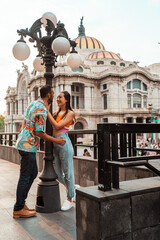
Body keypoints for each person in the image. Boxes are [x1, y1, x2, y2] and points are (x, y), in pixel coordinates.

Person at [13, 85, 66, 218]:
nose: (54, 95)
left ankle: (21, 203)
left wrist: (46, 109)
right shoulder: (41, 108)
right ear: (48, 95)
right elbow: (39, 132)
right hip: (28, 146)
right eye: (53, 93)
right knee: (26, 177)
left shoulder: (34, 104)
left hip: (24, 143)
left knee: (32, 174)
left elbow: (38, 117)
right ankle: (18, 208)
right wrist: (56, 140)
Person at [45, 91, 75, 211]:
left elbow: (57, 126)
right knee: (56, 173)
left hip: (64, 143)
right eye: (57, 97)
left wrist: (47, 112)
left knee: (68, 172)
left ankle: (70, 198)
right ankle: (72, 187)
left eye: (60, 97)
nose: (58, 99)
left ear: (66, 99)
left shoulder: (70, 113)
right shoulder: (56, 112)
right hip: (54, 143)